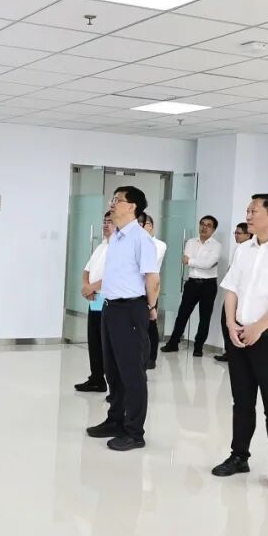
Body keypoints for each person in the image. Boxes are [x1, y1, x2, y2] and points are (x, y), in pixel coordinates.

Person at [211, 194, 268, 495]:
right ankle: (239, 456)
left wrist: (258, 328)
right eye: (248, 211)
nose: (248, 216)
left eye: (253, 211)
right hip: (239, 334)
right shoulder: (244, 249)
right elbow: (231, 289)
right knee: (241, 402)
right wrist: (230, 323)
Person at [85, 186, 160, 452]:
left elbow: (152, 278)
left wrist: (150, 307)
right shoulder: (116, 237)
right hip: (111, 308)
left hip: (131, 310)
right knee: (113, 370)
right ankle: (115, 420)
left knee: (132, 373)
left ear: (132, 207)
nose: (112, 203)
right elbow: (117, 274)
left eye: (117, 200)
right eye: (112, 199)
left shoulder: (141, 239)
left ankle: (134, 431)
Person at [161, 216, 222, 356]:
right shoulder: (190, 242)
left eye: (208, 225)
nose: (204, 227)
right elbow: (186, 259)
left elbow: (207, 264)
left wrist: (191, 261)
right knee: (182, 314)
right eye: (202, 224)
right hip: (192, 283)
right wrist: (198, 262)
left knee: (205, 317)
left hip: (208, 285)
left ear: (213, 229)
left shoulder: (216, 246)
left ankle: (198, 347)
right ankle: (173, 343)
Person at [75, 212, 114, 392]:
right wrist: (87, 287)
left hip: (109, 300)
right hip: (95, 299)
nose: (105, 224)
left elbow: (114, 277)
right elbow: (86, 270)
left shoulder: (118, 248)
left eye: (110, 221)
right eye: (104, 221)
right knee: (94, 340)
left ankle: (112, 382)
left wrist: (91, 287)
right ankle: (96, 378)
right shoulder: (101, 246)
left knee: (107, 343)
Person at [215, 222, 252, 363]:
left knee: (237, 322)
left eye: (239, 233)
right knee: (226, 321)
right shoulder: (238, 248)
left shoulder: (249, 249)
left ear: (248, 235)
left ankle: (236, 353)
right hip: (233, 290)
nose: (236, 235)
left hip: (242, 294)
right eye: (235, 233)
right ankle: (230, 352)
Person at [140, 213, 167, 370]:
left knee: (151, 323)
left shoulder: (159, 245)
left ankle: (152, 357)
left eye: (145, 224)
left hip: (150, 288)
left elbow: (147, 263)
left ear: (151, 226)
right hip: (135, 288)